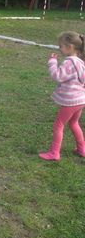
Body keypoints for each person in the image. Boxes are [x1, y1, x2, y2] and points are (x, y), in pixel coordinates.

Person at [39, 31, 85, 161]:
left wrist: (52, 62)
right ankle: (82, 148)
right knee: (74, 122)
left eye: (61, 46)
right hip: (81, 100)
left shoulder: (69, 63)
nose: (60, 49)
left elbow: (57, 76)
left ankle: (54, 152)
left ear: (70, 46)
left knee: (58, 124)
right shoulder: (81, 62)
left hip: (71, 101)